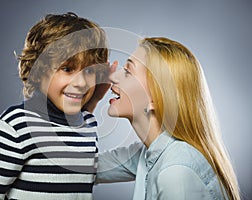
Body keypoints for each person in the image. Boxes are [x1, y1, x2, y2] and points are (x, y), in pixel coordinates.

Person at [0, 12, 109, 200]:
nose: (81, 83)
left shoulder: (88, 124)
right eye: (67, 69)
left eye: (89, 71)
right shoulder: (17, 125)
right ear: (38, 71)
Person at [95, 37, 241, 199]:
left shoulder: (176, 173)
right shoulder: (149, 153)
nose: (113, 77)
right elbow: (83, 166)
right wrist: (91, 101)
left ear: (155, 99)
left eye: (128, 72)